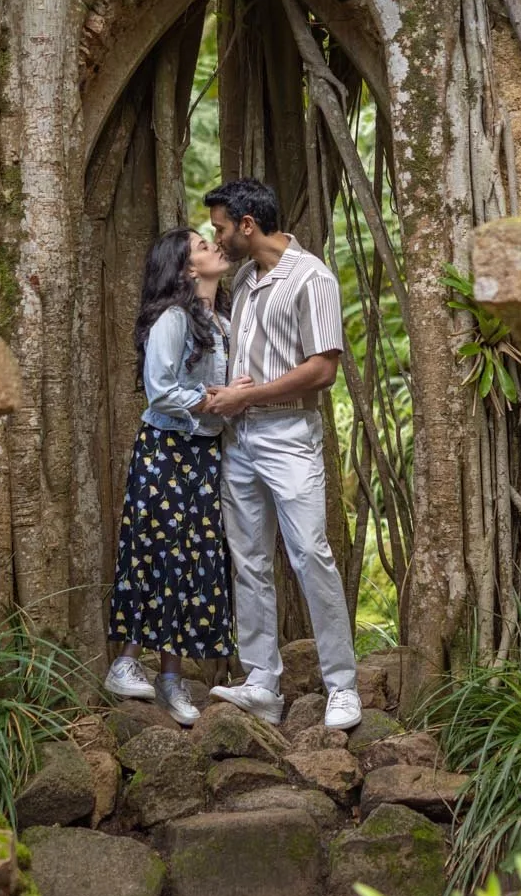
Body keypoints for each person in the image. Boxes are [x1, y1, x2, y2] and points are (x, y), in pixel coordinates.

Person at [197, 178, 361, 731]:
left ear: (247, 225)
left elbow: (323, 370)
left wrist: (249, 395)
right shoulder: (244, 278)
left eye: (220, 227)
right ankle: (262, 680)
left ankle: (342, 686)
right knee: (249, 560)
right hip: (238, 438)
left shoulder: (311, 278)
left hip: (288, 435)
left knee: (311, 554)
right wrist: (226, 396)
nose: (216, 238)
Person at [100, 227, 236, 727]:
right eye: (203, 247)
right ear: (186, 270)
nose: (214, 248)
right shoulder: (174, 319)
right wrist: (213, 400)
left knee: (192, 559)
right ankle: (126, 661)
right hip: (165, 451)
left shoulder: (219, 320)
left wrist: (231, 396)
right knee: (155, 552)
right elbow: (160, 389)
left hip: (203, 453)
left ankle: (171, 679)